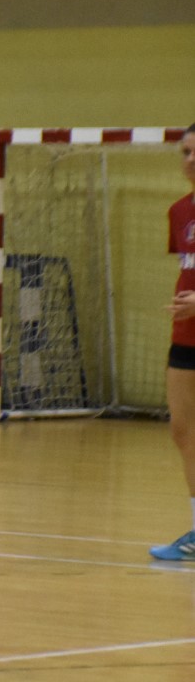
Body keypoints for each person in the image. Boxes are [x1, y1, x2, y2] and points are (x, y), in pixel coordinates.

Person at [150, 124, 195, 562]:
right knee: (183, 430)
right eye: (185, 152)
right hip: (185, 337)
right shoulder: (179, 211)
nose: (190, 160)